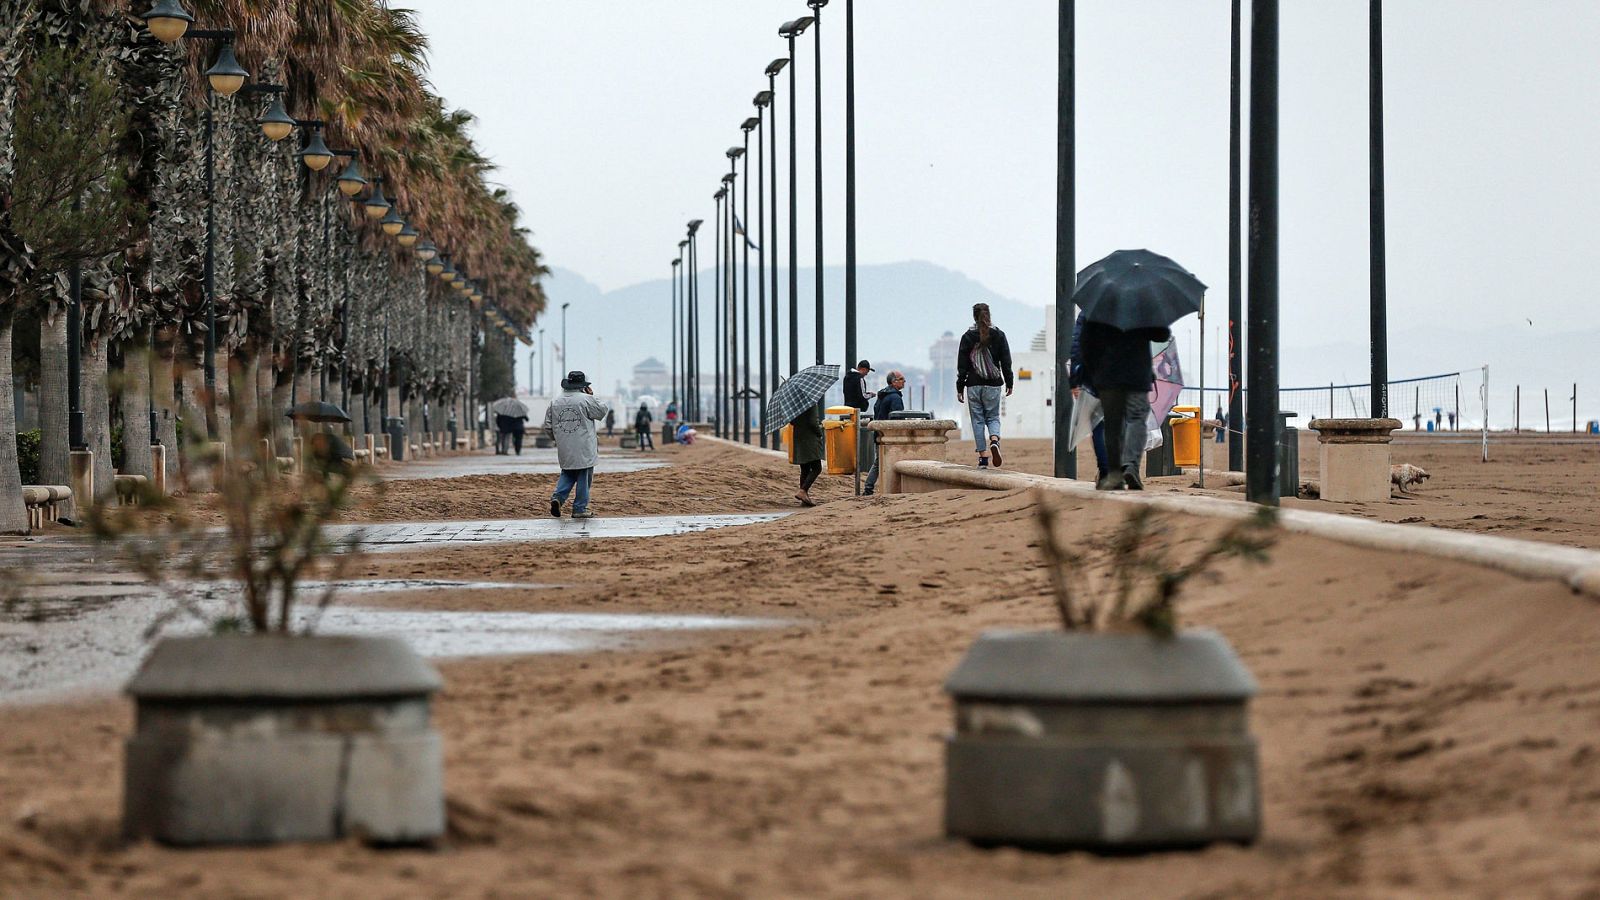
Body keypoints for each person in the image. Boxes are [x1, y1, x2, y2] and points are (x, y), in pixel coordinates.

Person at [1081, 319, 1172, 491]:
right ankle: (1131, 466)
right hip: (1137, 374)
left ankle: (1115, 474)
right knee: (1136, 419)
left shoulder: (1099, 309)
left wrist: (1093, 371)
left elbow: (1085, 341)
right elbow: (1162, 334)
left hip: (1108, 376)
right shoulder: (1142, 308)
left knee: (1113, 423)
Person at [543, 370, 609, 519]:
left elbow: (548, 425)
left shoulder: (555, 402)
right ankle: (579, 508)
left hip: (565, 446)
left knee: (567, 473)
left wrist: (558, 439)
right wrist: (592, 396)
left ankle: (558, 498)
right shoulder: (586, 399)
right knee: (584, 476)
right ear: (582, 386)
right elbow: (602, 411)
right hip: (584, 445)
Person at [956, 303, 1013, 469]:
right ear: (989, 315)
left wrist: (960, 387)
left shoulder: (967, 336)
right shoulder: (999, 335)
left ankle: (983, 458)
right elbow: (1006, 362)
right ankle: (994, 440)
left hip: (973, 385)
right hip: (993, 384)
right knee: (993, 417)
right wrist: (1009, 382)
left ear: (974, 316)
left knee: (978, 420)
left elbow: (962, 365)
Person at [1069, 310, 1111, 480]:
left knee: (1098, 426)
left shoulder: (1088, 311)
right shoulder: (1125, 308)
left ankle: (1105, 471)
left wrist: (1075, 381)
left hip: (1094, 376)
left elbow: (1077, 346)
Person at [862, 370, 906, 496]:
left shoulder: (882, 395)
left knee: (878, 461)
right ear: (894, 382)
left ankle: (868, 487)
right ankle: (877, 487)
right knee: (884, 462)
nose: (904, 381)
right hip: (889, 435)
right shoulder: (895, 397)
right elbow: (897, 418)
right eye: (901, 379)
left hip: (879, 434)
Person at [789, 404, 824, 507]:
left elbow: (792, 421)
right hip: (810, 439)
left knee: (805, 469)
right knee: (817, 468)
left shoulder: (794, 404)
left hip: (799, 437)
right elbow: (813, 422)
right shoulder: (811, 403)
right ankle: (803, 491)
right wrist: (820, 432)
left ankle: (804, 499)